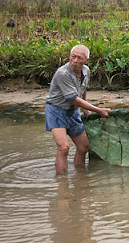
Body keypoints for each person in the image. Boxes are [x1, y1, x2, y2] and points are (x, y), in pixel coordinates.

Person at [45, 44, 111, 175]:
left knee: (84, 146)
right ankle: (62, 182)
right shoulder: (63, 74)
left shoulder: (86, 71)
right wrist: (99, 110)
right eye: (73, 57)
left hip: (73, 111)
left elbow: (83, 88)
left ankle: (80, 177)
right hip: (56, 111)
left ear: (86, 61)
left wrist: (86, 109)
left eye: (79, 58)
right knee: (63, 147)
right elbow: (74, 99)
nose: (75, 61)